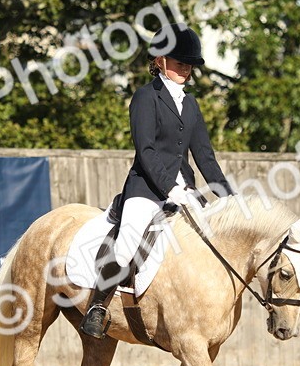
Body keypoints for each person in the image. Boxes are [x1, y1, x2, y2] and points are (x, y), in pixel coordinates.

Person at [79, 23, 233, 338]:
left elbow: (205, 157)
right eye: (180, 64)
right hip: (146, 188)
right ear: (160, 60)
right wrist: (170, 189)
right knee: (125, 246)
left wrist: (230, 198)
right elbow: (146, 151)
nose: (186, 70)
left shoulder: (191, 104)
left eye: (189, 65)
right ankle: (98, 305)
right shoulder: (144, 98)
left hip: (186, 192)